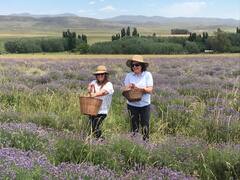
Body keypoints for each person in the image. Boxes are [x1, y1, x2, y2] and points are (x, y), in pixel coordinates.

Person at [124, 55, 153, 141]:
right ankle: (135, 144)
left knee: (145, 125)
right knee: (134, 126)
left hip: (144, 104)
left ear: (142, 66)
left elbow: (150, 90)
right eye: (133, 65)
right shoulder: (129, 75)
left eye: (137, 65)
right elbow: (125, 89)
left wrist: (139, 89)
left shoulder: (147, 75)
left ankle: (146, 143)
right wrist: (129, 88)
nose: (134, 67)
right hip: (132, 104)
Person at [87, 65, 114, 140]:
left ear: (105, 75)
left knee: (95, 126)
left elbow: (103, 92)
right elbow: (90, 91)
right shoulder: (94, 82)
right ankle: (96, 142)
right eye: (98, 74)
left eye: (102, 74)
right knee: (92, 127)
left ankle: (101, 140)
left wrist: (93, 94)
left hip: (102, 110)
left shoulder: (109, 84)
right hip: (92, 109)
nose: (100, 76)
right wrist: (89, 89)